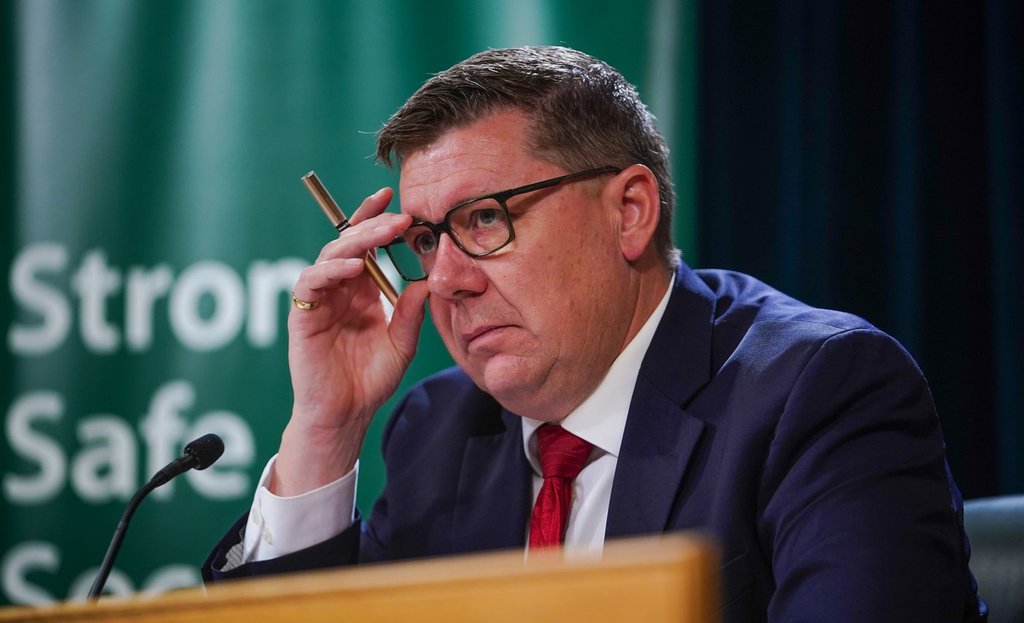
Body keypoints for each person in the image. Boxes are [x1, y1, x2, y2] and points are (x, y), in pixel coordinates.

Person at [203, 46, 984, 622]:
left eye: (484, 220)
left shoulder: (817, 391)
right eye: (426, 240)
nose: (444, 279)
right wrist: (326, 429)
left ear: (630, 212)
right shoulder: (439, 429)